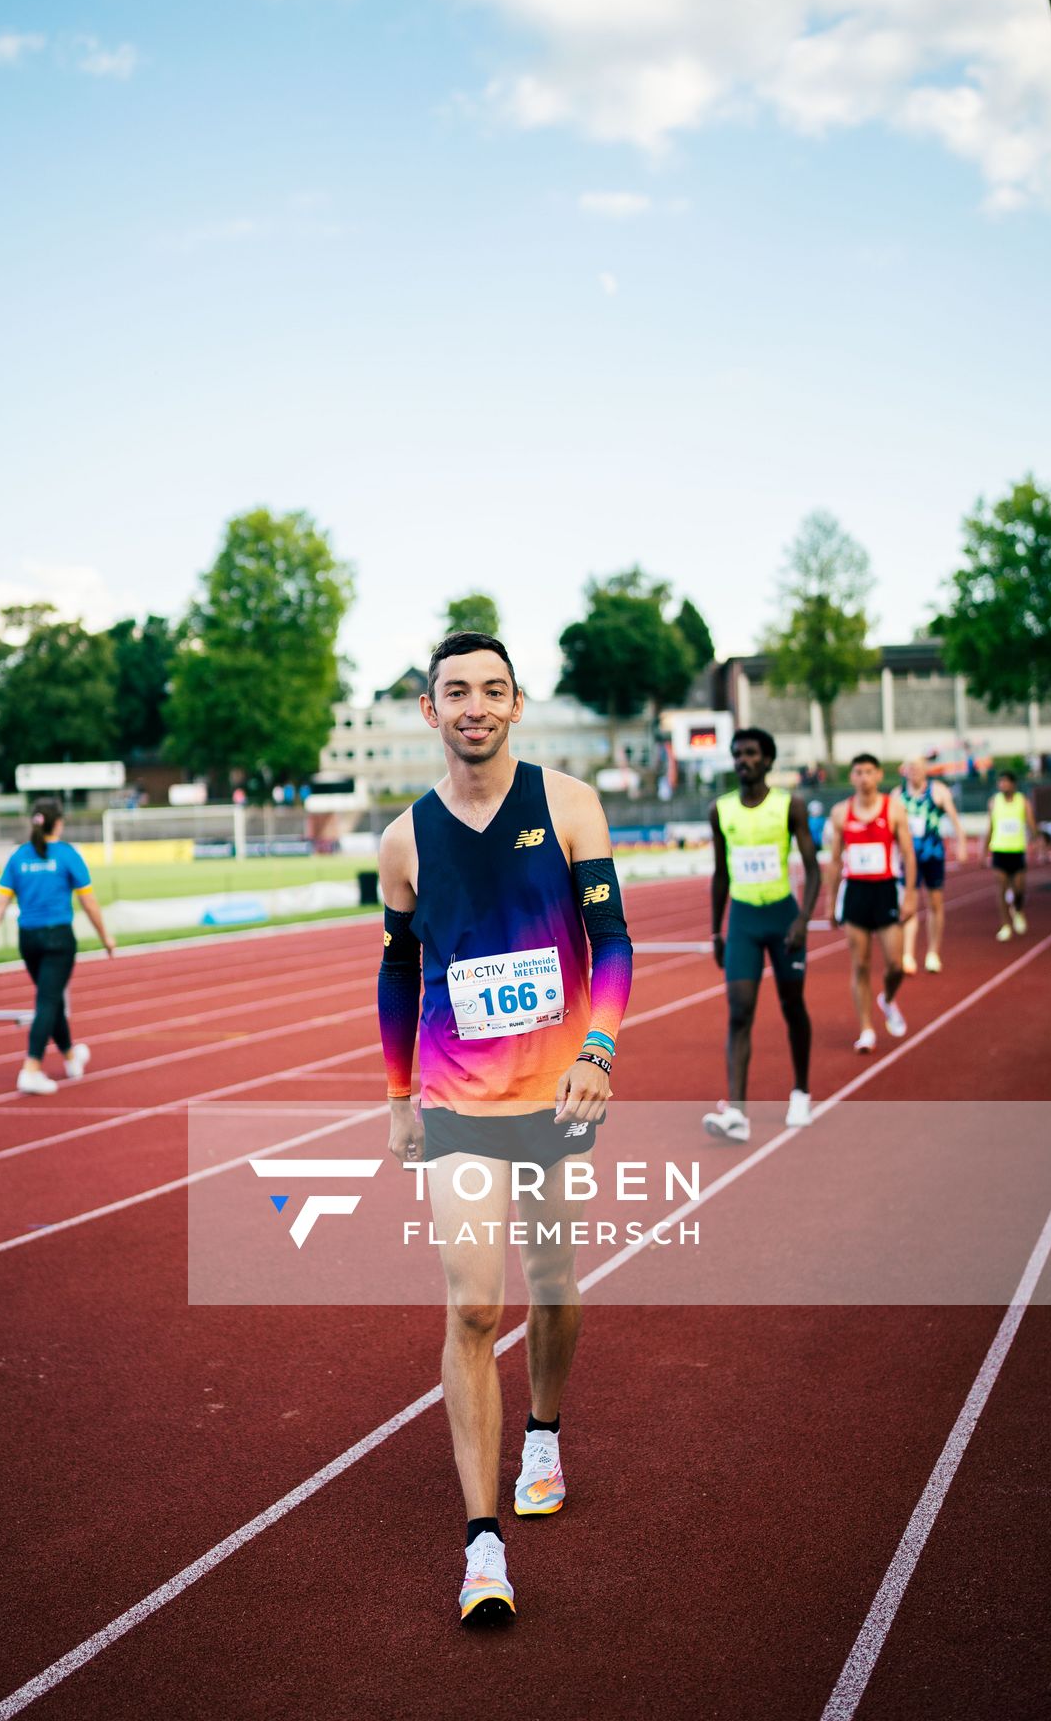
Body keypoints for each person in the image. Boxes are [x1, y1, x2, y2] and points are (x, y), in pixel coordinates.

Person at [377, 633, 633, 1625]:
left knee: (552, 1286)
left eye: (491, 689)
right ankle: (481, 1545)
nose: (473, 705)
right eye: (454, 692)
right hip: (453, 1097)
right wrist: (398, 1093)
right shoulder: (402, 839)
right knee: (473, 1308)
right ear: (429, 712)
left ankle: (542, 1429)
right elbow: (399, 970)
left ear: (516, 705)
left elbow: (608, 940)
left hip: (555, 1090)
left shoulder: (569, 805)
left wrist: (597, 1050)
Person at [701, 727, 821, 1143]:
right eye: (737, 754)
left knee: (792, 1006)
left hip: (784, 918)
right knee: (739, 1010)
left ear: (768, 760)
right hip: (744, 922)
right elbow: (721, 874)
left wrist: (804, 919)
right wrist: (716, 930)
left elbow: (814, 866)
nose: (743, 761)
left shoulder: (791, 806)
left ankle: (802, 1091)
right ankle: (737, 1112)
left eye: (751, 754)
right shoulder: (721, 810)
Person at [0, 799, 115, 1094]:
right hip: (58, 939)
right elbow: (88, 902)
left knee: (51, 999)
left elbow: (1, 902)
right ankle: (31, 1068)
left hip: (29, 940)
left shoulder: (19, 857)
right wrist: (105, 937)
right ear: (59, 823)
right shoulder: (67, 855)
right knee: (48, 1002)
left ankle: (70, 1056)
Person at [826, 755, 917, 1053]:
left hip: (886, 890)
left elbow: (908, 853)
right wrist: (830, 902)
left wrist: (912, 894)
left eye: (868, 772)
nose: (863, 777)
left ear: (878, 775)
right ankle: (866, 1029)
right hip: (856, 893)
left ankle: (887, 999)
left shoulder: (894, 809)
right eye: (857, 772)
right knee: (860, 964)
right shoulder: (841, 813)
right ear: (851, 777)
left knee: (895, 964)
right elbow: (835, 860)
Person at [893, 758, 968, 974]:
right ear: (904, 771)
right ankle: (908, 954)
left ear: (926, 770)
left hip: (933, 855)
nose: (914, 771)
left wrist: (961, 844)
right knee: (909, 904)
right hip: (908, 858)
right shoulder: (898, 796)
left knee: (935, 904)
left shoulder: (938, 791)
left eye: (917, 767)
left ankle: (933, 952)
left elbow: (954, 820)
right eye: (910, 767)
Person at [985, 770, 1036, 940]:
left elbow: (1030, 823)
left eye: (1006, 781)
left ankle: (1018, 910)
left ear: (1014, 784)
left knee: (1019, 888)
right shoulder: (994, 802)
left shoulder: (1023, 802)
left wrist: (1037, 840)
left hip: (1017, 850)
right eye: (1001, 782)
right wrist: (984, 850)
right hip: (999, 850)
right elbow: (990, 827)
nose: (1003, 785)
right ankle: (1005, 925)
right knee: (1001, 889)